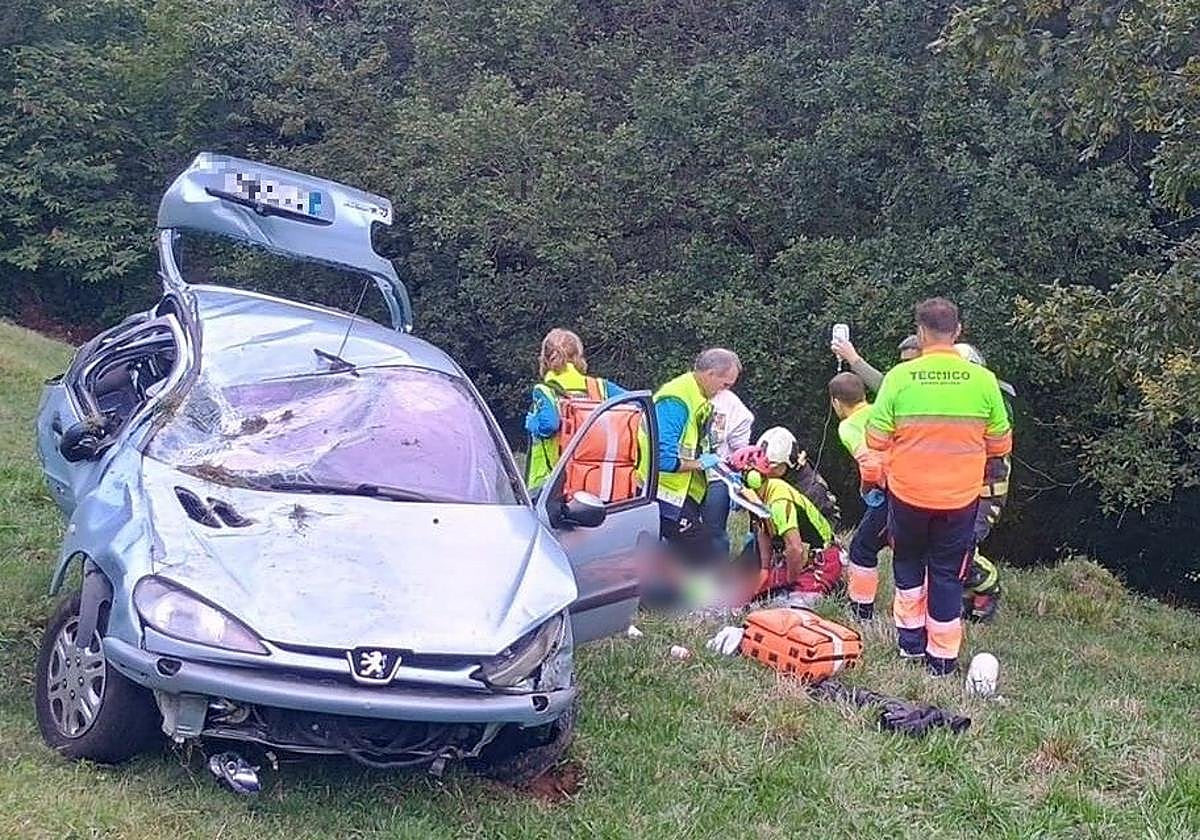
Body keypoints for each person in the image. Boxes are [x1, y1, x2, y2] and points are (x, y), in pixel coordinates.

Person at [866, 298, 1012, 676]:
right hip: (960, 499)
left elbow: (876, 437)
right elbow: (1000, 445)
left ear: (920, 333)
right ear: (957, 331)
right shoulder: (982, 380)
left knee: (908, 563)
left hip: (908, 496)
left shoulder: (900, 377)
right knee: (948, 573)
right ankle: (942, 659)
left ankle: (910, 645)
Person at [652, 348, 741, 561]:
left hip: (682, 492)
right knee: (703, 552)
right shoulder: (676, 400)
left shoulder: (696, 395)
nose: (724, 391)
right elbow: (662, 459)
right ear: (710, 374)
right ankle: (705, 595)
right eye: (725, 384)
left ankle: (679, 591)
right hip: (664, 492)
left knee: (683, 553)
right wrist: (700, 464)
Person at [735, 427, 841, 604]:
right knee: (743, 580)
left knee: (791, 602)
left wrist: (789, 579)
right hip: (778, 543)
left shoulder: (809, 489)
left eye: (770, 466)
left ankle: (825, 584)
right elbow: (761, 526)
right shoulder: (768, 486)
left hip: (810, 550)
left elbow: (797, 547)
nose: (765, 470)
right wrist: (765, 569)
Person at [954, 342, 1016, 622]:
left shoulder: (994, 400)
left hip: (985, 490)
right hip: (958, 487)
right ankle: (968, 594)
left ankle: (988, 584)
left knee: (963, 542)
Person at [524, 328, 624, 493]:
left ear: (545, 360)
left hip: (551, 483)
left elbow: (549, 425)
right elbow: (637, 403)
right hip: (594, 480)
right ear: (578, 357)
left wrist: (532, 423)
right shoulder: (601, 387)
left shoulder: (544, 390)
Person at [829, 371, 887, 620]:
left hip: (889, 491)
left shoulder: (848, 426)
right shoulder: (879, 410)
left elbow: (870, 463)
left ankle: (861, 612)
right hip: (915, 484)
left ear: (836, 402)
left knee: (862, 548)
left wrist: (867, 490)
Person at [702, 389, 755, 556]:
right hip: (686, 474)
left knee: (714, 529)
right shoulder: (686, 396)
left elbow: (740, 449)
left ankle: (719, 569)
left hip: (718, 477)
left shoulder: (731, 405)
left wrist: (737, 474)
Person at [831, 333, 920, 393]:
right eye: (903, 361)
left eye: (910, 361)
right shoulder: (902, 380)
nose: (905, 366)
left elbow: (882, 387)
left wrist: (853, 358)